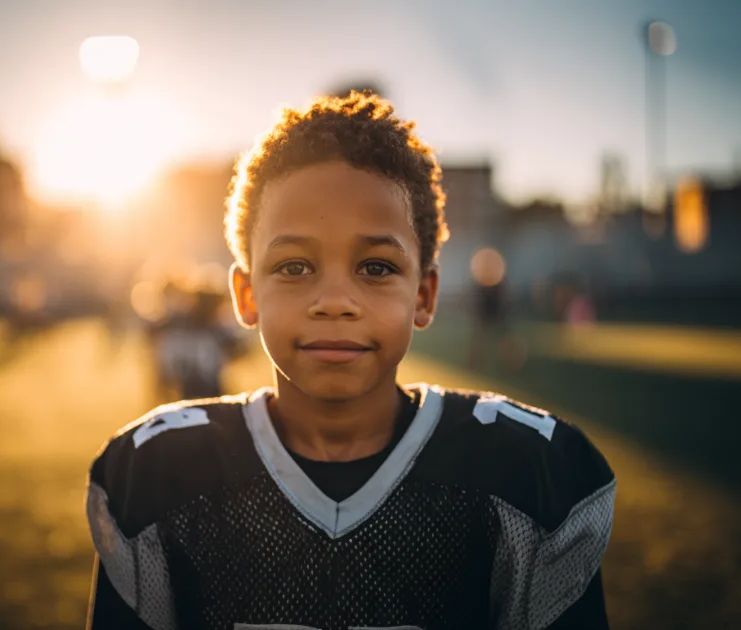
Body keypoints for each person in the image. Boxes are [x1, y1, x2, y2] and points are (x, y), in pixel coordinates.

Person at [85, 92, 615, 629]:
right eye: (294, 266)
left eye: (377, 267)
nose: (334, 300)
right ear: (245, 295)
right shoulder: (156, 475)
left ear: (424, 295)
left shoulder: (528, 475)